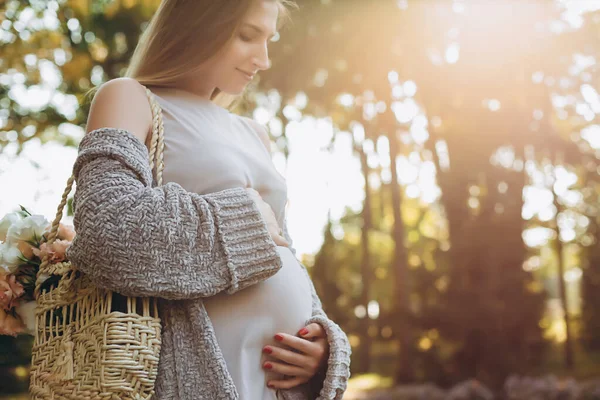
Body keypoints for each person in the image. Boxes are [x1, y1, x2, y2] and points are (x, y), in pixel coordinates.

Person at [65, 0, 351, 399]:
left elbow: (282, 255)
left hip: (280, 385)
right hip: (204, 374)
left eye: (269, 39)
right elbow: (106, 233)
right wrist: (246, 219)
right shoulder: (129, 98)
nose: (264, 59)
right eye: (248, 35)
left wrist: (321, 345)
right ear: (197, 25)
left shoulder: (255, 134)